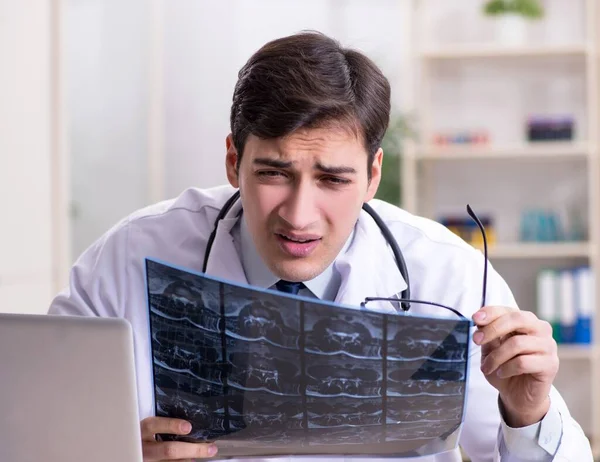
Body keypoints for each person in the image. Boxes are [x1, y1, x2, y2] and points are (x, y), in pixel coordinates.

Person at [49, 31, 592, 462]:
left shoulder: (448, 275)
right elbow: (36, 432)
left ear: (373, 174)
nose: (299, 215)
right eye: (274, 173)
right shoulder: (125, 261)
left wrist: (530, 412)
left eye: (333, 179)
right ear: (234, 161)